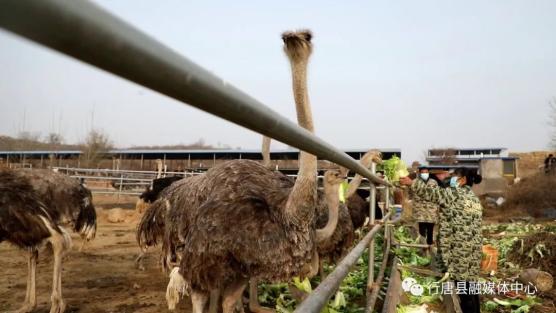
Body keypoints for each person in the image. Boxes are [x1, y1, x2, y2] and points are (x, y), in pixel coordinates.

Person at [400, 168, 483, 313]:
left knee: (464, 291)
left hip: (459, 251)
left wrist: (411, 183)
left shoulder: (455, 194)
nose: (450, 178)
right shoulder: (474, 199)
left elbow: (432, 194)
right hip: (473, 251)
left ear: (462, 180)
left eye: (454, 176)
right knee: (471, 287)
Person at [410, 167, 439, 251]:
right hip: (420, 210)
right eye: (423, 172)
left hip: (431, 210)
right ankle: (423, 248)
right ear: (419, 173)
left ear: (428, 173)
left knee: (430, 230)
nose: (425, 174)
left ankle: (430, 246)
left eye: (426, 172)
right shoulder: (415, 182)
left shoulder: (434, 182)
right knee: (422, 230)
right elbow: (410, 192)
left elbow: (436, 195)